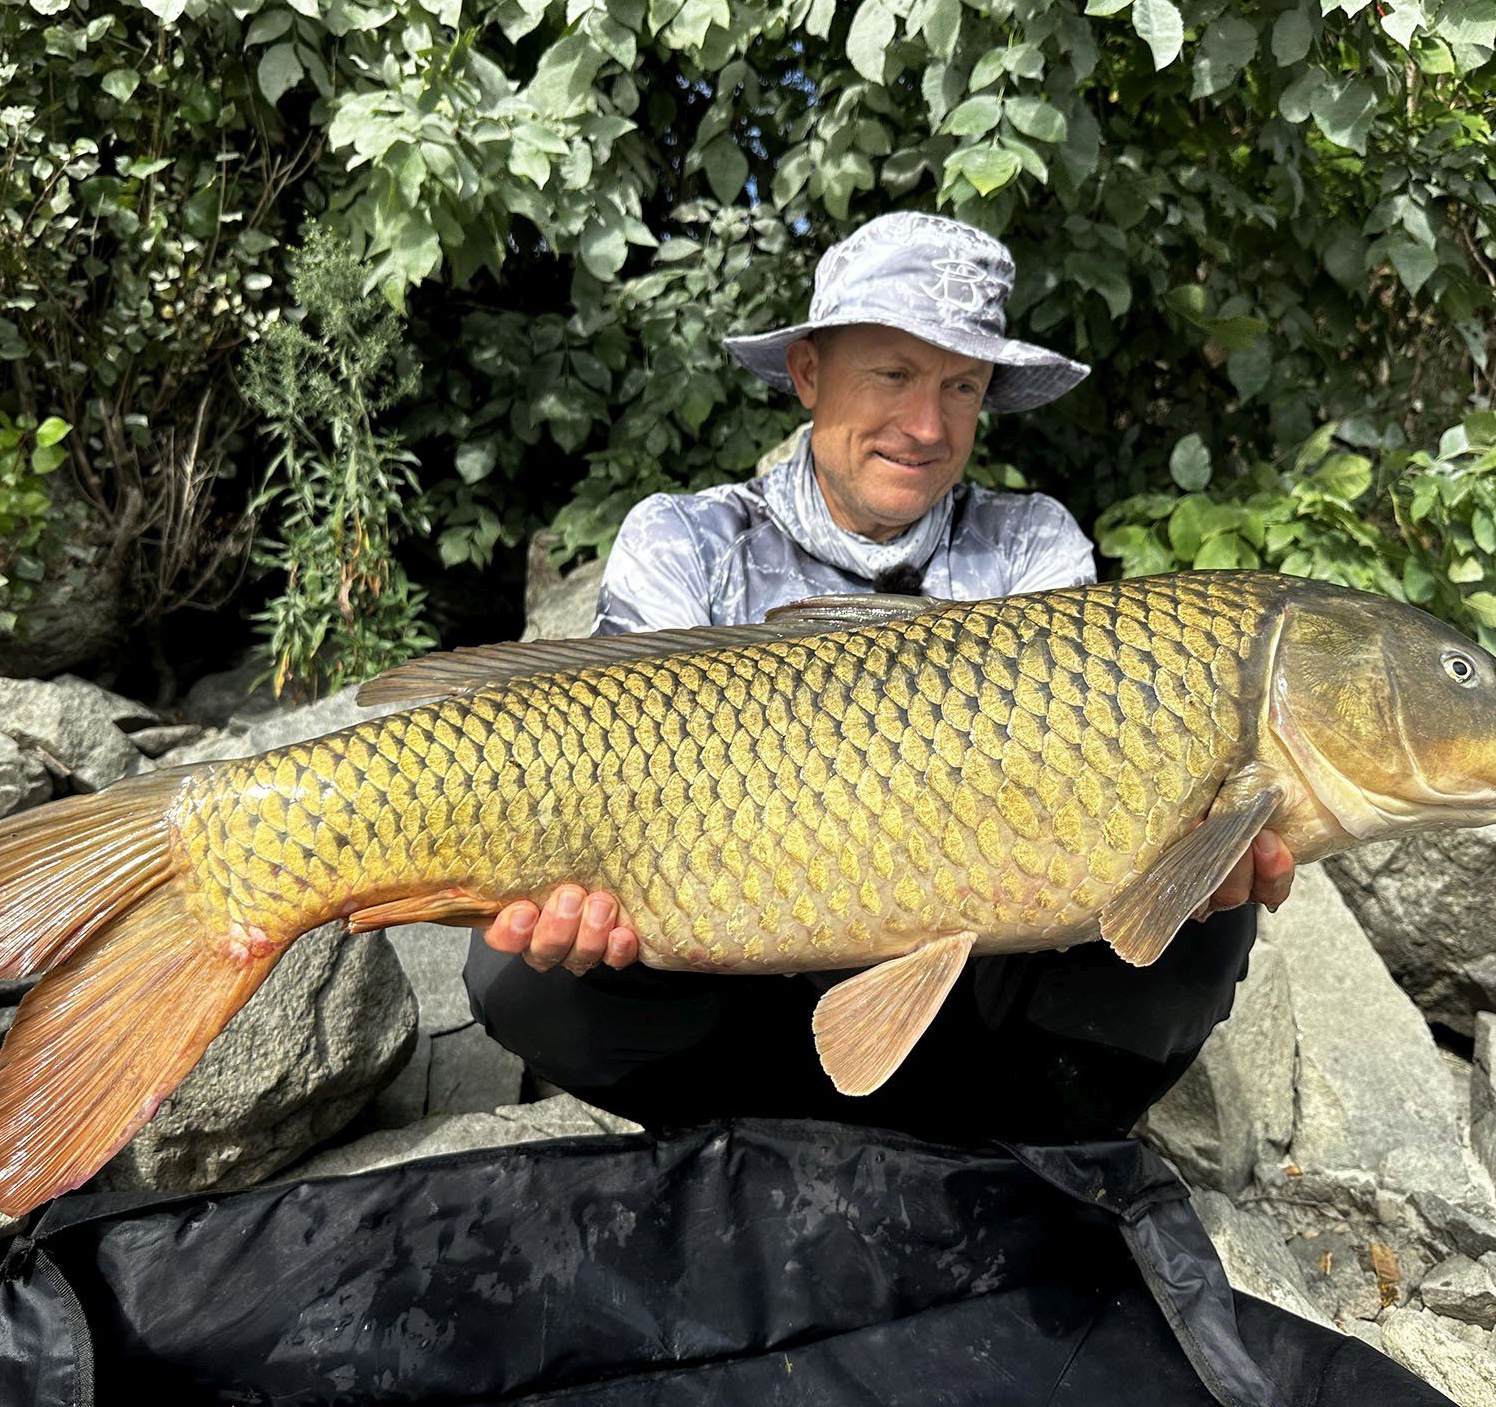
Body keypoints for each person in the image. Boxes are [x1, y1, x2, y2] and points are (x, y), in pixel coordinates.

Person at [463, 212, 1295, 1140]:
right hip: (730, 989)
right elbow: (604, 768)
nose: (927, 425)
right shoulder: (688, 541)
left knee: (1210, 902)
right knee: (519, 966)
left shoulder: (1032, 548)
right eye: (892, 375)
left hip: (968, 1002)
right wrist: (577, 911)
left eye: (962, 386)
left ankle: (987, 1144)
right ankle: (763, 1140)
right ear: (810, 374)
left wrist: (1187, 859)